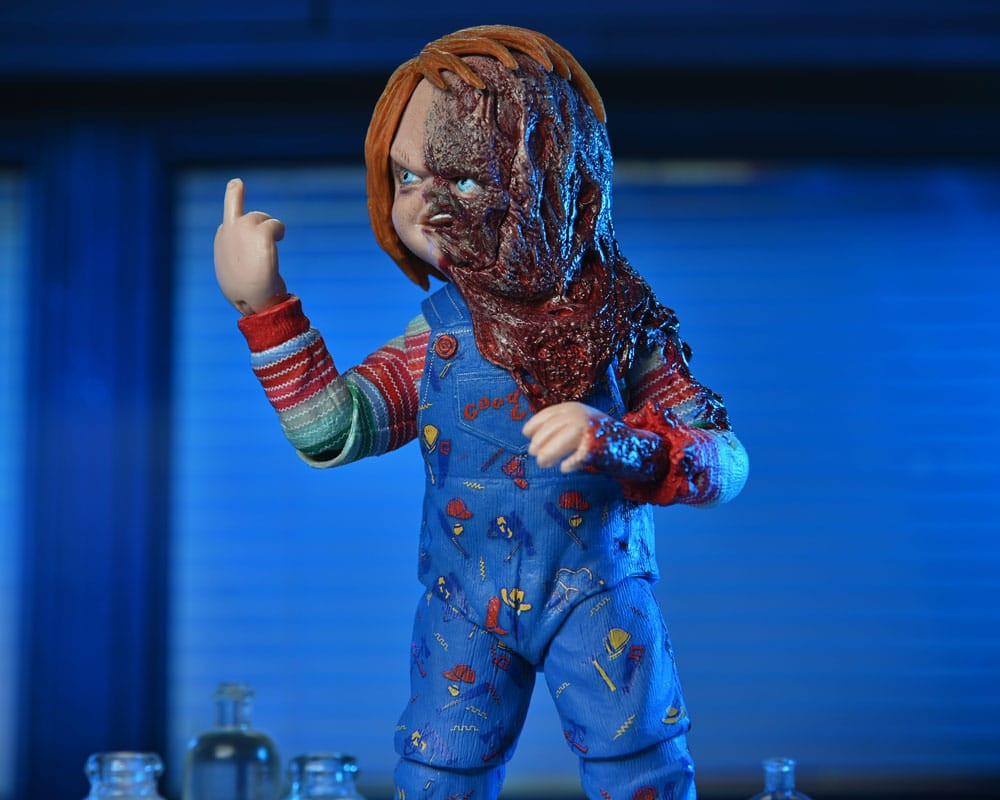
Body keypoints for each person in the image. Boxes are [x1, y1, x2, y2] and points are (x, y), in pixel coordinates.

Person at [214, 25, 748, 800]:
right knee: (438, 775)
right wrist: (263, 306)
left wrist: (621, 444)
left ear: (555, 177)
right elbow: (330, 429)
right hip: (465, 602)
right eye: (406, 177)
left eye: (463, 180)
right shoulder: (433, 340)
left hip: (598, 594)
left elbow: (724, 462)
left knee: (642, 770)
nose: (425, 208)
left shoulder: (626, 327)